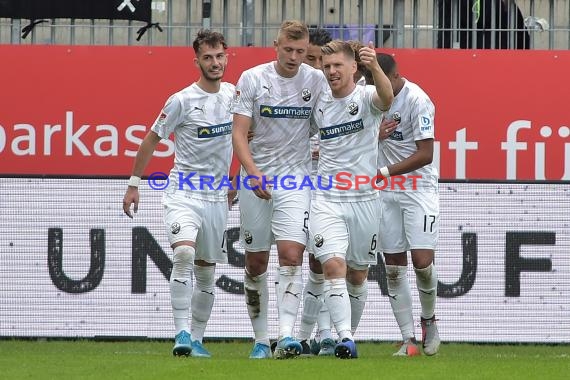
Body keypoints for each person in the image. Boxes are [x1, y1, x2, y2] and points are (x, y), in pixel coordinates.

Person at [122, 30, 236, 358]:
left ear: (226, 57)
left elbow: (248, 138)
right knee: (184, 255)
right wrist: (133, 184)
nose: (214, 63)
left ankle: (197, 339)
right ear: (197, 61)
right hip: (183, 193)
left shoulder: (234, 95)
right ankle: (181, 333)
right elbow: (150, 140)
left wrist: (236, 181)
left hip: (216, 198)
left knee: (206, 269)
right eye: (208, 57)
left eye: (219, 56)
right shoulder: (181, 100)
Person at [231, 20, 328, 360]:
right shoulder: (253, 78)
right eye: (288, 49)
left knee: (291, 255)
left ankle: (286, 336)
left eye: (301, 52)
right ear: (276, 45)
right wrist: (252, 173)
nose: (294, 57)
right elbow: (239, 134)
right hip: (257, 179)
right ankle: (260, 339)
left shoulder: (316, 80)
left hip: (297, 179)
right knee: (256, 262)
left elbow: (334, 120)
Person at [309, 40, 393, 359]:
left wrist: (375, 67)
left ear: (353, 68)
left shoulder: (366, 97)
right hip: (327, 198)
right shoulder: (319, 103)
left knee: (357, 276)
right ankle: (341, 337)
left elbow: (387, 97)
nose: (331, 71)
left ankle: (344, 334)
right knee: (332, 265)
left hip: (364, 200)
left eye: (337, 66)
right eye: (327, 66)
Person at [376, 53, 441, 356]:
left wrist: (385, 171)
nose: (377, 89)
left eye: (380, 82)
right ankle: (408, 340)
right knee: (393, 268)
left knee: (422, 263)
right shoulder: (370, 99)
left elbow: (425, 153)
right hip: (384, 193)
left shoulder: (418, 100)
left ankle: (429, 320)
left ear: (395, 76)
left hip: (417, 189)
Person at [294, 27, 337, 358]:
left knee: (326, 261)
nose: (317, 68)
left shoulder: (349, 91)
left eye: (322, 61)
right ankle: (314, 335)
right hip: (298, 182)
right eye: (311, 59)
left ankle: (318, 335)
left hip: (335, 185)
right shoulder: (294, 89)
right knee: (311, 261)